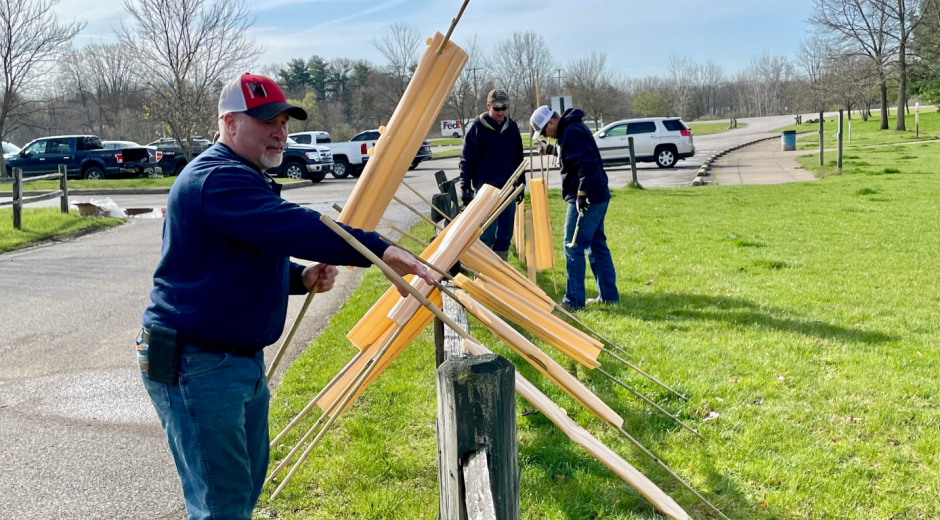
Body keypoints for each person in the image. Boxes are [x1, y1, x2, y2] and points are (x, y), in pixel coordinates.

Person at [138, 73, 434, 520]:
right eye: (265, 122)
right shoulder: (216, 178)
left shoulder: (246, 176)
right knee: (222, 503)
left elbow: (240, 256)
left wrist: (300, 277)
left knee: (245, 485)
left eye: (283, 122)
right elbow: (289, 225)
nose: (279, 133)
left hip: (235, 361)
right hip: (196, 363)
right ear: (230, 123)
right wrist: (382, 250)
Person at [530, 105, 619, 310]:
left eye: (544, 132)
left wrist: (581, 195)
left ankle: (573, 301)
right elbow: (571, 155)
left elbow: (586, 164)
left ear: (551, 122)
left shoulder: (571, 132)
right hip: (598, 195)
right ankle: (609, 297)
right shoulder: (572, 128)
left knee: (572, 246)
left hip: (587, 198)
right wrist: (550, 149)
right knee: (596, 245)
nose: (547, 136)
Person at [459, 89, 525, 261]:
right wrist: (465, 189)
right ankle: (483, 273)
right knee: (486, 234)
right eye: (497, 108)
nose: (501, 112)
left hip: (508, 188)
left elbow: (518, 157)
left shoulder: (512, 128)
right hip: (485, 191)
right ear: (488, 106)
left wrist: (521, 184)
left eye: (504, 107)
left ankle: (500, 271)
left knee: (505, 235)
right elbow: (466, 161)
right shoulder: (476, 128)